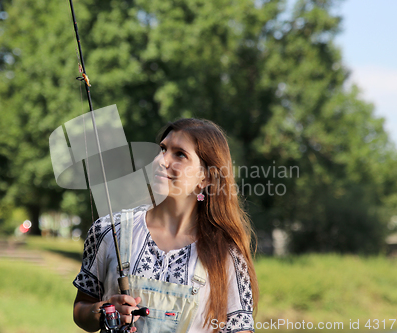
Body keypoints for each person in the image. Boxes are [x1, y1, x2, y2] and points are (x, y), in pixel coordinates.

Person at [73, 118, 258, 333]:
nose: (162, 160)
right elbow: (80, 309)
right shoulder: (109, 230)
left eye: (180, 154)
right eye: (162, 149)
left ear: (205, 177)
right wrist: (103, 310)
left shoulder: (226, 254)